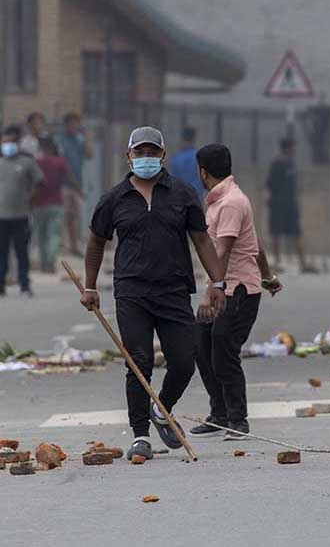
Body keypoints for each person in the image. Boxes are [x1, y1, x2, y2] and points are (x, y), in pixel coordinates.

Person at [80, 126, 226, 462]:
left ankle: (162, 410)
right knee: (138, 362)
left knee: (184, 360)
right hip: (131, 291)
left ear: (163, 155)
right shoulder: (114, 199)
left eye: (152, 152)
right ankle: (141, 434)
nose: (146, 158)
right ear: (128, 156)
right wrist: (89, 287)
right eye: (139, 152)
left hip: (174, 289)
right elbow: (95, 243)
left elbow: (202, 240)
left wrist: (217, 283)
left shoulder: (182, 193)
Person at [188, 143, 282, 440]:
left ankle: (238, 419)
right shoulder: (221, 201)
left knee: (223, 349)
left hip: (236, 291)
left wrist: (210, 291)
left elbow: (223, 250)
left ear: (203, 171)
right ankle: (219, 414)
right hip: (226, 287)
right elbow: (256, 245)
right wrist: (268, 277)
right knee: (201, 345)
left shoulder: (231, 203)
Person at [0, 125, 43, 297]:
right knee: (1, 252)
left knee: (21, 252)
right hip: (1, 217)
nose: (7, 145)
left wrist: (31, 199)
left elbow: (39, 182)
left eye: (11, 142)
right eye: (4, 142)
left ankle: (24, 284)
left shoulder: (26, 162)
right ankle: (1, 284)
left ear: (17, 143)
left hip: (21, 215)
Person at [266, 137, 315, 272]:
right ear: (287, 148)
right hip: (278, 204)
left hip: (291, 205)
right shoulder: (277, 163)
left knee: (296, 233)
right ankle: (276, 262)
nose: (295, 150)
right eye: (293, 147)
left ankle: (303, 263)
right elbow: (270, 184)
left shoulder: (291, 164)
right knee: (276, 233)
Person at [33, 137, 80, 273]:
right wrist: (79, 191)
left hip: (38, 204)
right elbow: (70, 179)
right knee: (53, 234)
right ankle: (50, 262)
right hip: (56, 203)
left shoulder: (37, 162)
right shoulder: (60, 162)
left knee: (41, 236)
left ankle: (43, 264)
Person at [56, 112, 92, 256]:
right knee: (62, 215)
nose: (74, 127)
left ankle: (74, 246)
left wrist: (87, 137)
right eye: (71, 124)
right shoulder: (59, 140)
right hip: (62, 184)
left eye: (76, 124)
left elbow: (90, 154)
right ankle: (61, 246)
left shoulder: (80, 139)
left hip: (77, 183)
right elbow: (61, 163)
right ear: (66, 125)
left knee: (75, 216)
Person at [168, 126, 205, 204]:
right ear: (194, 139)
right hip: (197, 198)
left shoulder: (176, 159)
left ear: (182, 140)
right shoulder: (200, 158)